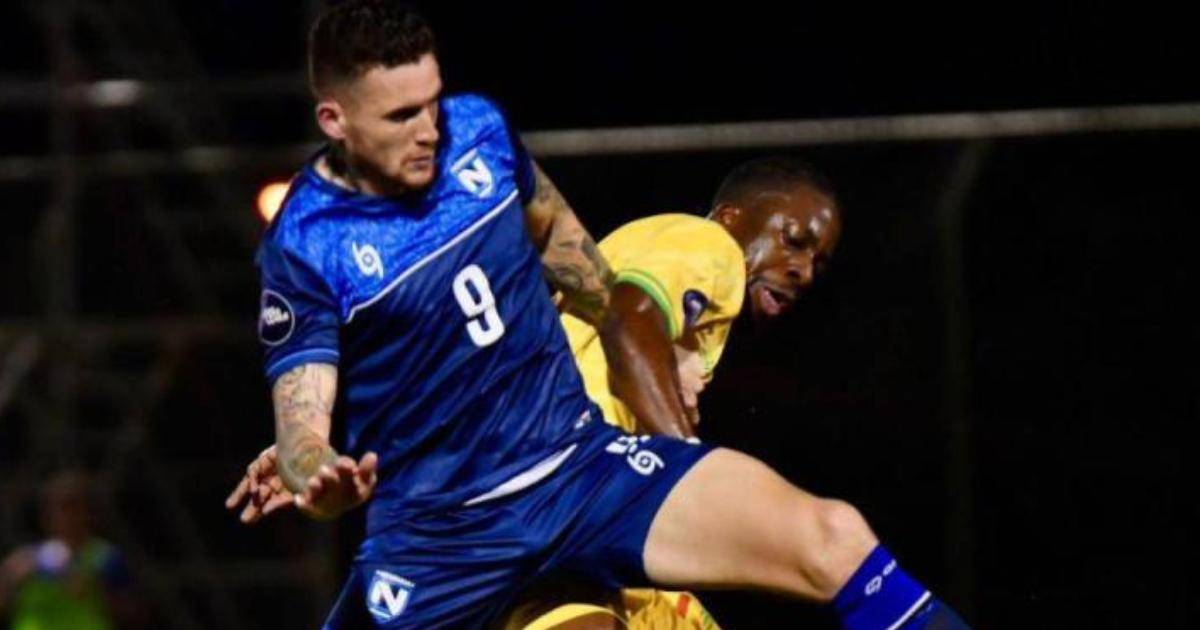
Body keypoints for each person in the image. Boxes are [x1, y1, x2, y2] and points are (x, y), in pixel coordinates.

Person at [228, 3, 970, 628]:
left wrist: (650, 341)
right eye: (400, 115)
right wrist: (318, 472)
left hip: (580, 470)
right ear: (336, 121)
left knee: (832, 536)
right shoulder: (305, 246)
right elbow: (300, 433)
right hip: (447, 535)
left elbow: (587, 270)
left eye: (431, 101)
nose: (428, 130)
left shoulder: (476, 135)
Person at [0, 472, 143, 630]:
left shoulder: (106, 558)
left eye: (73, 507)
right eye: (58, 508)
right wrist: (10, 583)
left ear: (89, 512)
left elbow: (134, 614)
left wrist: (95, 590)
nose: (66, 516)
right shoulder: (25, 559)